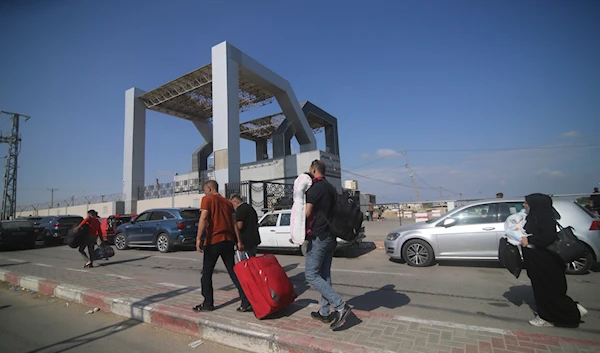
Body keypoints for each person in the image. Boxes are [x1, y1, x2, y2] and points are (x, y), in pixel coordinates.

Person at [520, 193, 587, 327]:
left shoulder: (544, 218)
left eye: (526, 203)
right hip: (539, 260)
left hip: (546, 261)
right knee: (548, 290)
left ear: (536, 205)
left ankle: (550, 317)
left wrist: (529, 240)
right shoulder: (535, 217)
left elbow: (548, 237)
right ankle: (571, 309)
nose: (524, 205)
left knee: (547, 290)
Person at [305, 160, 352, 330]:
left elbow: (307, 213)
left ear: (313, 169)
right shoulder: (331, 188)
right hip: (331, 237)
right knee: (324, 275)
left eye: (310, 169)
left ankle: (340, 306)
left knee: (311, 275)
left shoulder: (315, 188)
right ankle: (325, 313)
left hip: (319, 236)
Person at [193, 180, 251, 313]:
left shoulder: (207, 199)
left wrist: (198, 238)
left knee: (206, 274)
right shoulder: (227, 203)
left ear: (209, 188)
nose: (205, 192)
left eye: (205, 190)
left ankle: (208, 303)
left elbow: (203, 218)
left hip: (213, 241)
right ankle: (245, 300)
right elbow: (234, 223)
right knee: (233, 272)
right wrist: (239, 241)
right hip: (228, 241)